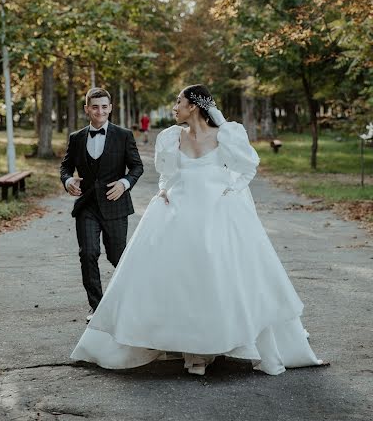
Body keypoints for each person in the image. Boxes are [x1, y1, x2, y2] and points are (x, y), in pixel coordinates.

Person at [71, 84, 323, 376]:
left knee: (220, 274)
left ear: (193, 106)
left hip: (217, 209)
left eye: (178, 102)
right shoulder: (171, 137)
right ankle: (190, 348)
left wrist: (234, 190)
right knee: (181, 277)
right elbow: (167, 175)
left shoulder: (227, 134)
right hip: (179, 208)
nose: (174, 107)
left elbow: (249, 167)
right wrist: (164, 190)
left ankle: (220, 341)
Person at [60, 87, 143, 323]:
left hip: (115, 204)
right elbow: (65, 167)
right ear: (87, 109)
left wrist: (125, 183)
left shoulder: (123, 135)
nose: (100, 111)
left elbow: (137, 166)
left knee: (118, 256)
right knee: (88, 253)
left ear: (110, 108)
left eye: (104, 106)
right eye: (95, 107)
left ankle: (131, 301)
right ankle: (97, 307)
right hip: (87, 206)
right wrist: (68, 181)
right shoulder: (76, 138)